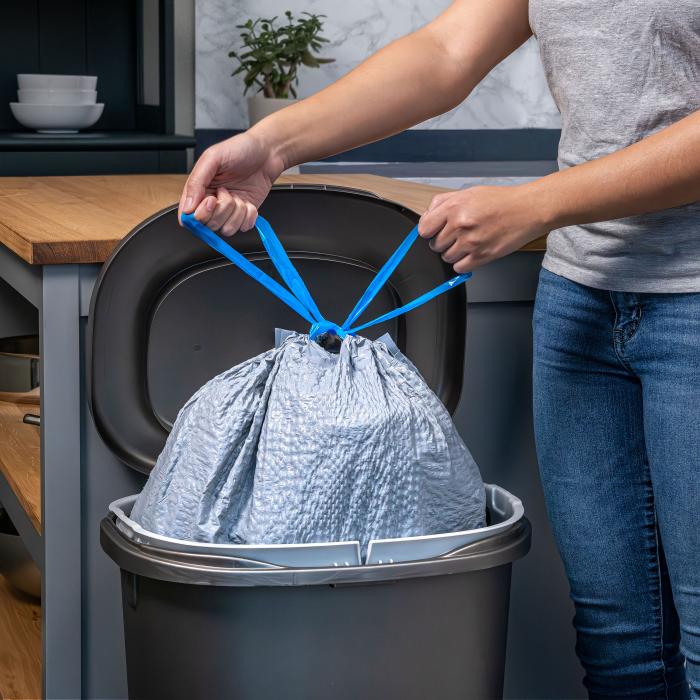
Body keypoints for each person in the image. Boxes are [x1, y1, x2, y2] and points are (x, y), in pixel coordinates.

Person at [179, 1, 700, 697]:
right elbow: (447, 52)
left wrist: (537, 204)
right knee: (620, 649)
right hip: (583, 300)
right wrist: (274, 145)